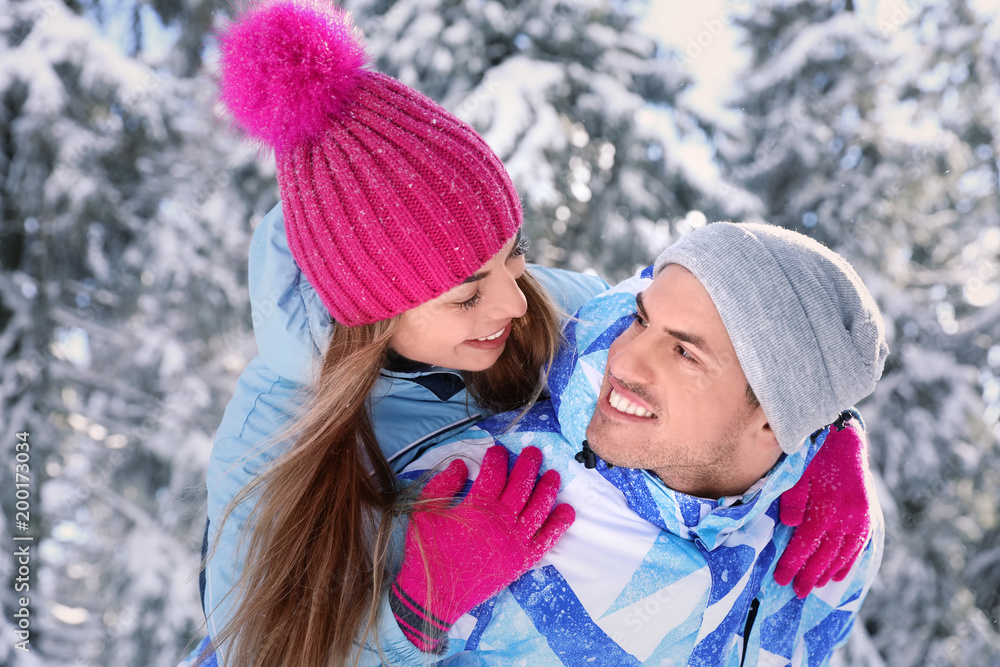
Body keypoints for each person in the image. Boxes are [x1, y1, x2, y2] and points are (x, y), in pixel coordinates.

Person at [188, 1, 875, 664]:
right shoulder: (272, 441)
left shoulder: (539, 306)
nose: (515, 301)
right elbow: (257, 652)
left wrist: (821, 424)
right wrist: (417, 607)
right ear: (376, 311)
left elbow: (696, 314)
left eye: (513, 253)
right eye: (468, 296)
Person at [369, 222, 889, 665]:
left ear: (778, 423)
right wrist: (415, 614)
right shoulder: (477, 495)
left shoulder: (833, 536)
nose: (623, 362)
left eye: (684, 353)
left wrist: (831, 427)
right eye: (640, 320)